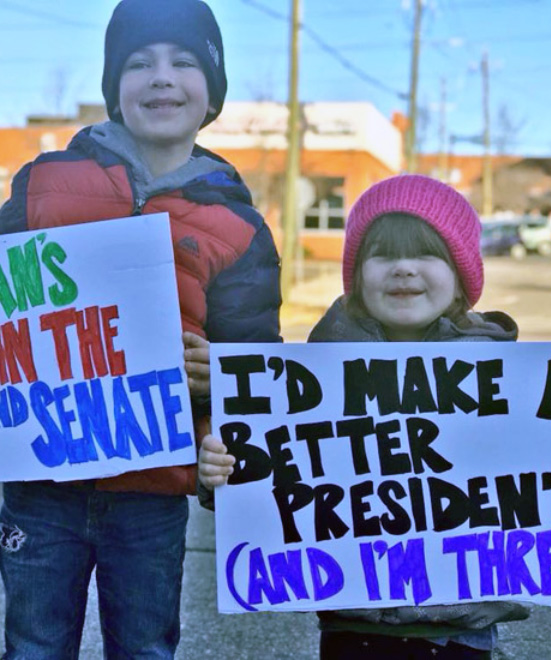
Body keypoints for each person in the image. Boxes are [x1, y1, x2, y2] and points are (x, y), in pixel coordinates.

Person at [198, 175, 551, 659]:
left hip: (460, 633)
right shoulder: (313, 376)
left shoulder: (504, 377)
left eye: (427, 254)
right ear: (357, 275)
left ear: (460, 275)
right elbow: (269, 492)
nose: (403, 268)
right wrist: (221, 471)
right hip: (353, 631)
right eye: (382, 254)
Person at [0, 0, 280, 657]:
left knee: (146, 647)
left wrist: (225, 381)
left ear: (210, 91)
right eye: (138, 62)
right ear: (113, 87)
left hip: (155, 493)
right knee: (33, 645)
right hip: (41, 485)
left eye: (184, 61)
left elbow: (258, 368)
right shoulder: (43, 183)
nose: (161, 76)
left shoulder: (238, 225)